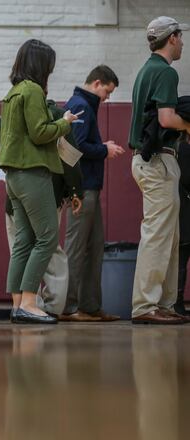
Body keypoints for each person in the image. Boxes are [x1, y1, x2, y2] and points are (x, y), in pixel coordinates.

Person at [0, 39, 77, 325]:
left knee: (24, 241)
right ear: (40, 66)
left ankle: (18, 304)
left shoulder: (13, 92)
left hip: (14, 176)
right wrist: (65, 122)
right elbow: (40, 132)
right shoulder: (32, 91)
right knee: (47, 238)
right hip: (32, 172)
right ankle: (30, 302)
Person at [128, 16, 190, 325]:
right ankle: (145, 305)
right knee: (157, 235)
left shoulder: (146, 70)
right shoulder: (165, 72)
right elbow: (166, 119)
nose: (183, 42)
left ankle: (163, 303)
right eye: (181, 36)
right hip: (157, 161)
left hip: (149, 160)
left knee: (169, 235)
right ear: (173, 38)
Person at [3, 100, 84, 318]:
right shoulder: (56, 113)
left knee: (19, 247)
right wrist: (76, 190)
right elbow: (70, 156)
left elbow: (1, 152)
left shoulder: (8, 114)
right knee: (50, 247)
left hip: (15, 189)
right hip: (47, 191)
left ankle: (21, 305)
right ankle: (50, 306)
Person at [60, 65, 125, 322]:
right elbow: (76, 148)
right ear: (97, 83)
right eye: (107, 92)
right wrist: (104, 149)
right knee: (76, 248)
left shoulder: (83, 104)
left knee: (95, 246)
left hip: (90, 187)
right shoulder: (82, 105)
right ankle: (69, 306)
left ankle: (89, 304)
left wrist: (100, 147)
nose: (107, 98)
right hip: (83, 187)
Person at [177, 136, 190, 316]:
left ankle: (177, 302)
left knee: (180, 257)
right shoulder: (184, 149)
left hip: (182, 208)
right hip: (185, 209)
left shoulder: (178, 148)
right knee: (181, 256)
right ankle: (176, 302)